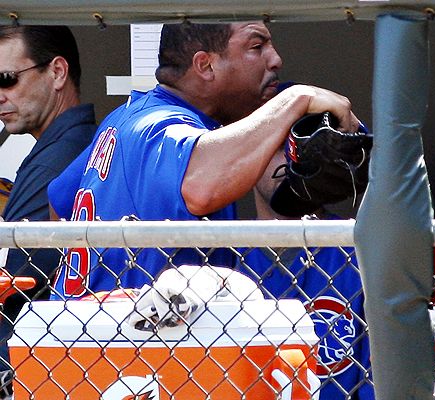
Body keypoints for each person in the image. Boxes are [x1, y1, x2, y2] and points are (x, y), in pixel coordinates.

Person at [49, 22, 359, 299]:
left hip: (91, 339)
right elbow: (199, 189)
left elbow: (59, 200)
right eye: (256, 47)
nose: (275, 59)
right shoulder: (159, 124)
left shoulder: (126, 117)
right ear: (206, 66)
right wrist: (295, 100)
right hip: (124, 346)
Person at [0, 25, 96, 398]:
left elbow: (13, 280)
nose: (0, 96)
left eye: (7, 79)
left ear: (57, 72)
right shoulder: (71, 144)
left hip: (27, 368)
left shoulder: (56, 159)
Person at [236, 148, 375, 399]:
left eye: (301, 146)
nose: (290, 159)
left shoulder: (359, 252)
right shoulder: (225, 257)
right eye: (278, 146)